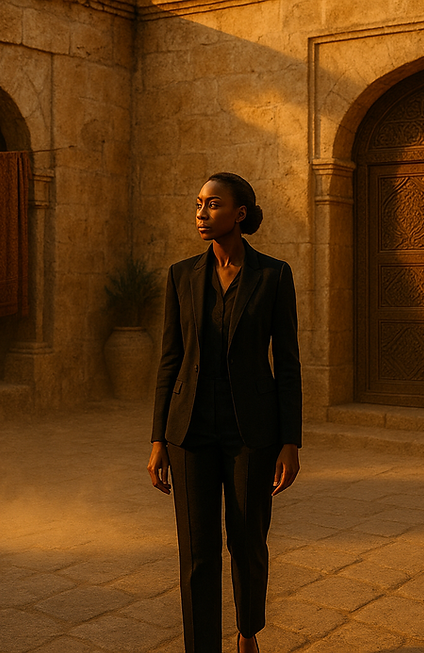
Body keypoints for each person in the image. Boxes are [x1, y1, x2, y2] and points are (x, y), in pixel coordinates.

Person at [147, 172, 302, 653]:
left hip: (251, 433)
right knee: (196, 550)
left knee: (248, 541)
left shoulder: (274, 276)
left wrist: (290, 441)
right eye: (198, 204)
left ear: (240, 214)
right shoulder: (180, 276)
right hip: (188, 431)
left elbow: (288, 361)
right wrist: (157, 439)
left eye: (213, 205)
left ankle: (247, 630)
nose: (201, 213)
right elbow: (169, 359)